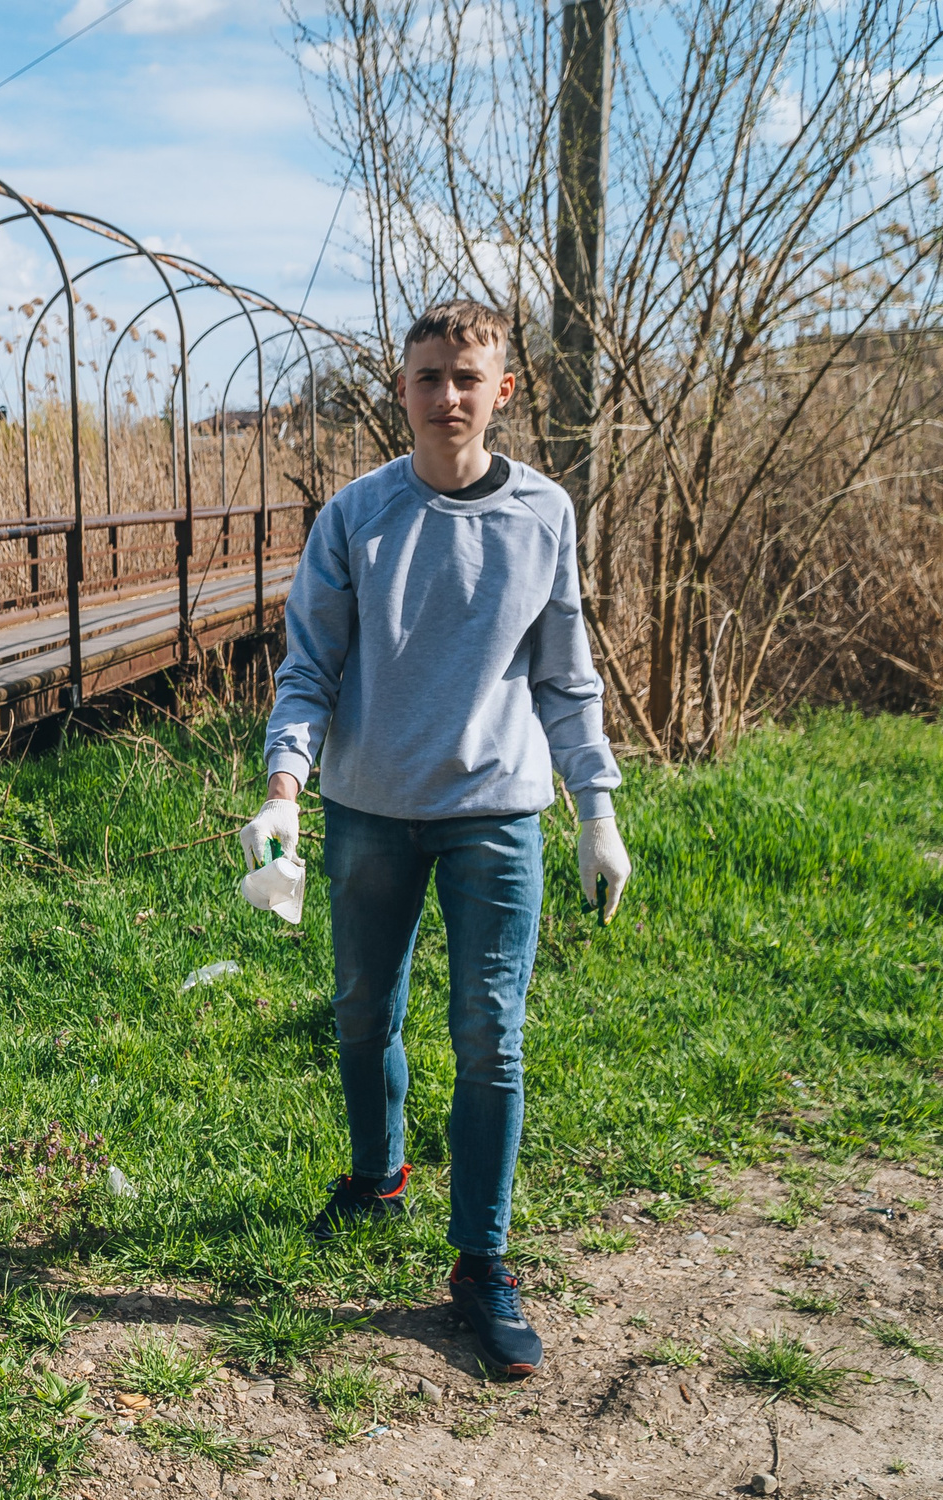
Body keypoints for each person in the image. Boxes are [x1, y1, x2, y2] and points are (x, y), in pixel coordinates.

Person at [244, 299, 633, 1379]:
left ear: (501, 390)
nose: (446, 396)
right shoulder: (355, 516)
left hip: (496, 813)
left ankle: (482, 1266)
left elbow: (564, 676)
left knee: (489, 1035)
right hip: (368, 806)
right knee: (364, 1011)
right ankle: (377, 1174)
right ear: (400, 388)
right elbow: (309, 667)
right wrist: (285, 788)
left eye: (466, 377)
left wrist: (595, 810)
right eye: (427, 376)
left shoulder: (543, 514)